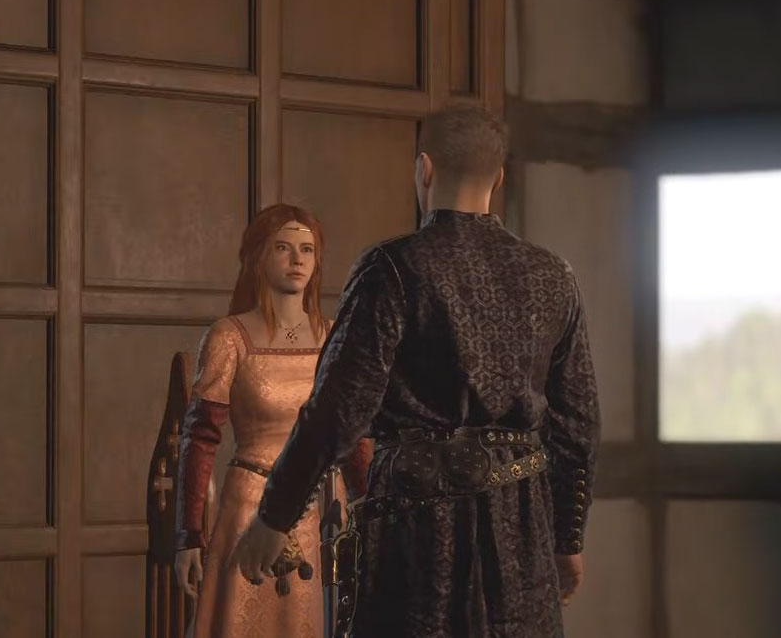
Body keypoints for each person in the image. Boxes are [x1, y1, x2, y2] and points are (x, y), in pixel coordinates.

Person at [230, 103, 601, 637]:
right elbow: (578, 426)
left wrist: (274, 515)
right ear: (497, 178)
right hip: (521, 530)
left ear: (424, 169)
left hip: (417, 530)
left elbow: (338, 410)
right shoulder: (553, 275)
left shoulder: (393, 267)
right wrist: (567, 538)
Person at [174, 203, 374, 638]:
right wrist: (188, 536)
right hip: (250, 506)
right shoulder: (229, 337)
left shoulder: (334, 336)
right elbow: (200, 437)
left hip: (325, 512)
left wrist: (371, 514)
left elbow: (352, 433)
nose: (297, 258)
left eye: (307, 249)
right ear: (259, 256)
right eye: (283, 247)